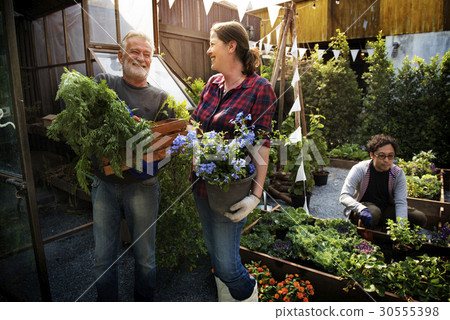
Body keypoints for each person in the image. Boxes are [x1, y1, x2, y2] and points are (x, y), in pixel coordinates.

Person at [188, 21, 277, 302]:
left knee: (226, 264)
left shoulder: (259, 88)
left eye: (212, 43)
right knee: (212, 250)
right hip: (201, 185)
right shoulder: (212, 84)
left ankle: (249, 294)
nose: (208, 50)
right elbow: (194, 124)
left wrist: (255, 196)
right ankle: (228, 299)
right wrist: (192, 140)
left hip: (231, 191)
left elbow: (261, 146)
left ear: (231, 46)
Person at [91, 30, 173, 301]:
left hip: (143, 186)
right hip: (105, 184)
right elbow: (85, 124)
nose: (141, 58)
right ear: (120, 55)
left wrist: (156, 151)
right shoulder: (104, 84)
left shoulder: (161, 98)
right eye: (135, 52)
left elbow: (168, 146)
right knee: (103, 258)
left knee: (145, 258)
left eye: (146, 54)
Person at [339, 134, 427, 230]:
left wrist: (402, 228)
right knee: (374, 212)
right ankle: (365, 231)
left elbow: (400, 202)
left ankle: (382, 230)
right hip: (364, 210)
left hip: (385, 210)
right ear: (372, 155)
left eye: (390, 156)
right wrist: (360, 208)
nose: (386, 160)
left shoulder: (397, 173)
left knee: (419, 218)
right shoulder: (360, 169)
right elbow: (344, 196)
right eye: (381, 156)